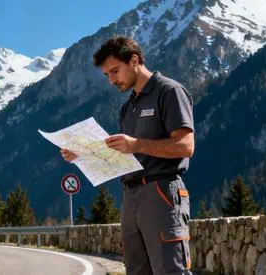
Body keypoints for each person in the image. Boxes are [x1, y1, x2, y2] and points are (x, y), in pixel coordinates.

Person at [61, 36, 195, 275]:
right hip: (130, 196)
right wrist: (81, 154)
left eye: (115, 71)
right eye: (107, 75)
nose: (112, 80)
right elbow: (124, 153)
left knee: (170, 271)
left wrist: (137, 145)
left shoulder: (169, 91)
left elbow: (186, 146)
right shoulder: (127, 107)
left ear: (134, 60)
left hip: (161, 192)